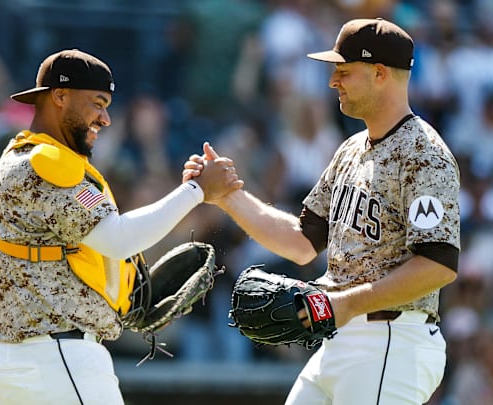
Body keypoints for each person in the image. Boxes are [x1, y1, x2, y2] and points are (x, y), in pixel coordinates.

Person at [185, 18, 460, 404]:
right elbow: (302, 242)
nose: (334, 81)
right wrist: (229, 196)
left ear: (380, 73)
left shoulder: (424, 154)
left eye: (344, 71)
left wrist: (346, 303)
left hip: (392, 340)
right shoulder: (350, 150)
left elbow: (438, 265)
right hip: (340, 339)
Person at [0, 49, 242, 405]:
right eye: (97, 103)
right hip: (55, 360)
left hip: (20, 358)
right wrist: (196, 191)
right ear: (60, 96)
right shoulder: (48, 163)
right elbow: (117, 239)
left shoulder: (19, 156)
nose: (106, 118)